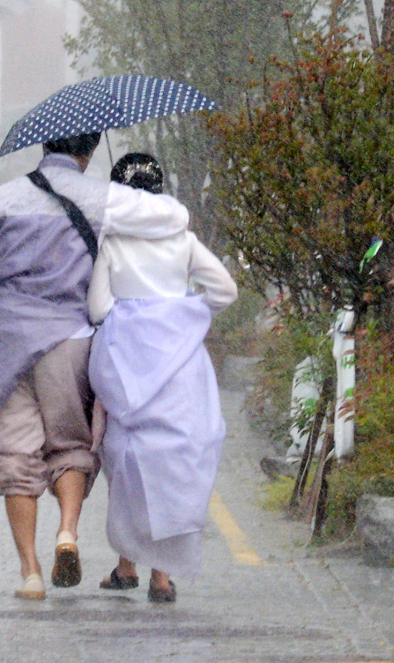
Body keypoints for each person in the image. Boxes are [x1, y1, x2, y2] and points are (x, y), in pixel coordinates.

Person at [0, 134, 191, 601]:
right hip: (71, 340)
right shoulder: (103, 201)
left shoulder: (2, 199)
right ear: (92, 147)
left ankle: (31, 572)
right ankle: (68, 533)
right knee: (71, 448)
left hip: (12, 342)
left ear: (42, 142)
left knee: (15, 455)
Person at [88, 153, 237, 603]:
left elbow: (97, 309)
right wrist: (182, 312)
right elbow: (225, 291)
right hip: (180, 367)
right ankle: (161, 575)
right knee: (174, 463)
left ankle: (126, 565)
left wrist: (132, 315)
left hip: (128, 367)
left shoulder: (111, 243)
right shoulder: (184, 239)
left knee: (128, 459)